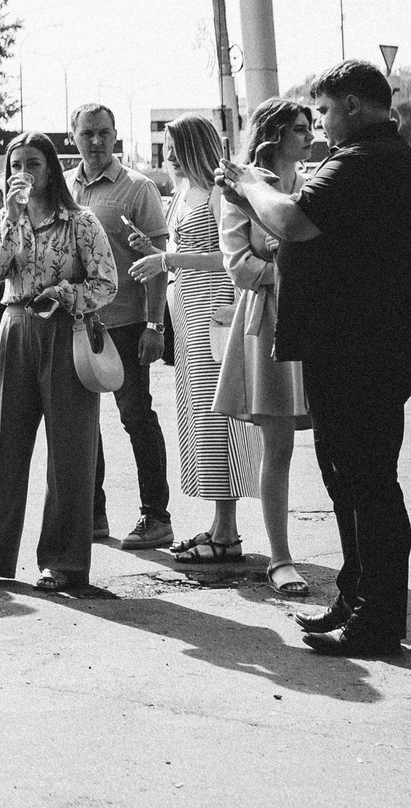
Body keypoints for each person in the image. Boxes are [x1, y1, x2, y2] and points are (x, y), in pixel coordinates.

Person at [218, 60, 411, 657]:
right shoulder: (366, 157)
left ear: (357, 107)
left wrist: (249, 182)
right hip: (347, 344)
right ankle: (356, 595)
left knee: (369, 483)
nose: (321, 124)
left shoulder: (368, 158)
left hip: (364, 348)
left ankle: (378, 618)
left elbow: (292, 221)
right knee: (346, 479)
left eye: (328, 111)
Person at [0, 131, 118, 594]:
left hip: (65, 333)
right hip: (15, 328)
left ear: (51, 168)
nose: (24, 172)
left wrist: (67, 293)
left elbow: (107, 284)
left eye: (33, 163)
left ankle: (64, 563)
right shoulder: (1, 218)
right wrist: (11, 220)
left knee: (71, 452)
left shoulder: (81, 221)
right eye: (16, 164)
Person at [128, 116, 259, 564]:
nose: (165, 153)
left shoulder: (220, 188)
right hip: (187, 306)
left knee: (220, 415)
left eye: (170, 144)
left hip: (215, 304)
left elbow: (228, 256)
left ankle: (227, 533)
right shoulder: (182, 191)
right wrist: (153, 249)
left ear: (190, 146)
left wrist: (165, 256)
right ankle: (220, 526)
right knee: (202, 415)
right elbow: (182, 251)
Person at [216, 96, 314, 596]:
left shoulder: (317, 181)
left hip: (320, 320)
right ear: (274, 134)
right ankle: (280, 558)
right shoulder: (239, 186)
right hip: (270, 323)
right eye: (300, 127)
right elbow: (239, 266)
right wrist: (301, 273)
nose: (310, 135)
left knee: (338, 443)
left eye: (311, 125)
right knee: (279, 446)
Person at [70, 102, 174, 551]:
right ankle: (92, 513)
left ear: (117, 136)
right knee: (81, 423)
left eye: (104, 133)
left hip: (128, 324)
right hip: (78, 326)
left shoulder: (138, 188)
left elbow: (155, 263)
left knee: (135, 417)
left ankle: (156, 516)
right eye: (87, 133)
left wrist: (155, 325)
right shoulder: (64, 188)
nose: (95, 141)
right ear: (73, 136)